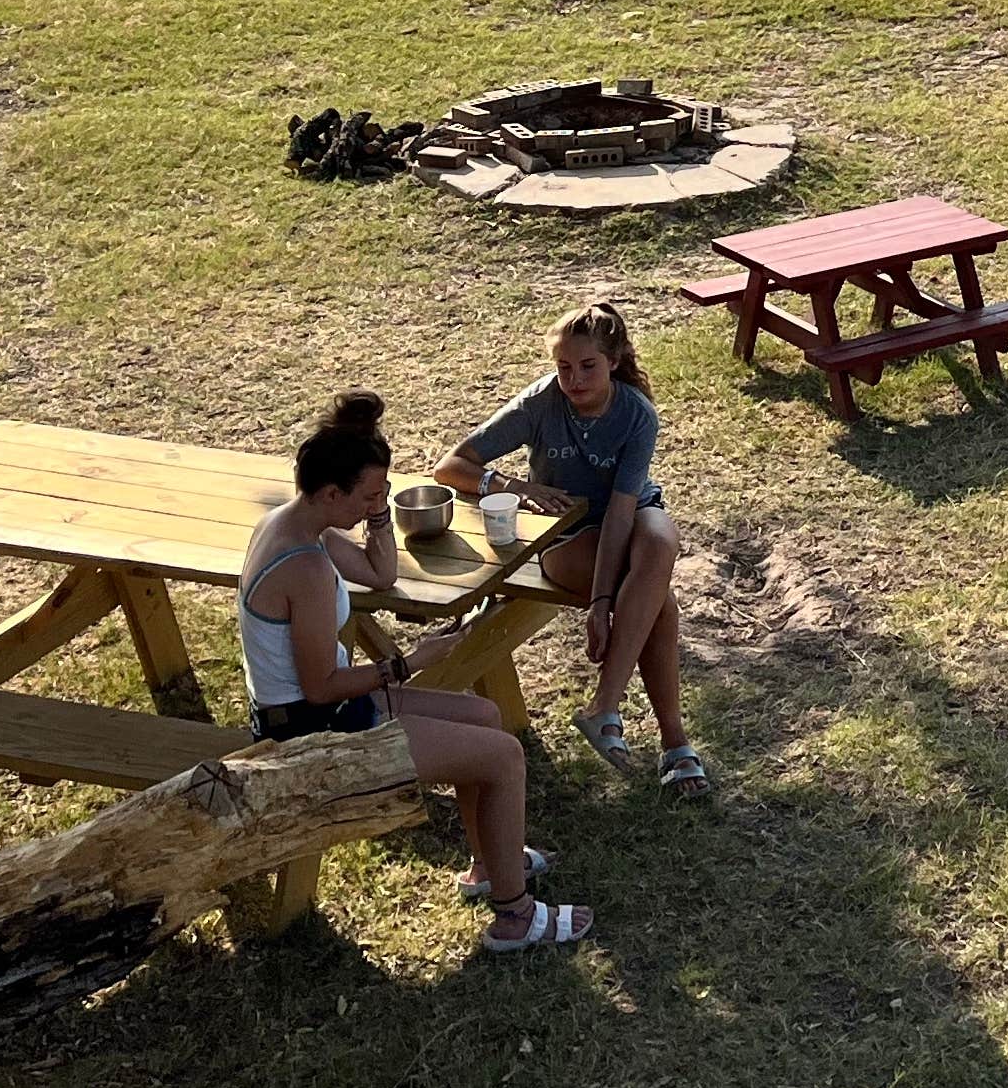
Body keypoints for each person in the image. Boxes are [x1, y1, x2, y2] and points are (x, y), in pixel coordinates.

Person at [239, 396, 593, 955]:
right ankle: (514, 917)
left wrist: (379, 517)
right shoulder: (304, 566)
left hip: (323, 710)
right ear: (330, 494)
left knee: (486, 716)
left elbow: (380, 574)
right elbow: (320, 687)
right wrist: (409, 663)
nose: (377, 505)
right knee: (504, 757)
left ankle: (490, 865)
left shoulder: (298, 524)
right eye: (369, 496)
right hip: (309, 730)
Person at [431, 304, 710, 798]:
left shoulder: (636, 414)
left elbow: (622, 513)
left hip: (628, 519)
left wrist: (601, 605)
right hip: (565, 536)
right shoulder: (540, 403)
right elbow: (451, 466)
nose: (574, 380)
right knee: (659, 603)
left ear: (614, 362)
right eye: (563, 367)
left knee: (659, 539)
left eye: (587, 366)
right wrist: (516, 486)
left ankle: (606, 703)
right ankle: (671, 741)